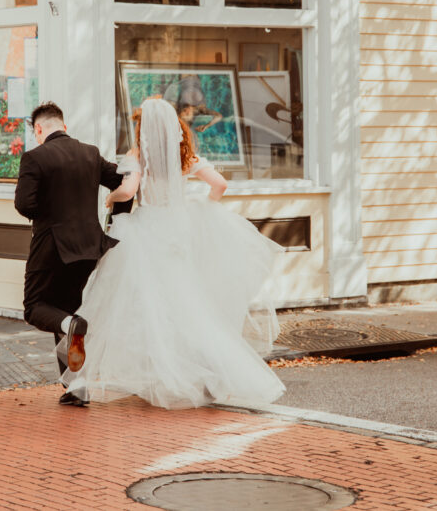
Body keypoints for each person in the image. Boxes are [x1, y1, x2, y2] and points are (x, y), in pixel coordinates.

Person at [60, 98, 285, 409]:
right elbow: (220, 185)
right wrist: (202, 207)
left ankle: (160, 375)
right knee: (188, 303)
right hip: (180, 231)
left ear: (144, 128)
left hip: (148, 232)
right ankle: (211, 374)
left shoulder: (137, 155)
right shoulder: (186, 156)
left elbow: (128, 191)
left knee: (149, 307)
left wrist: (110, 199)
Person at [14, 102, 125, 407]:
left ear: (38, 129)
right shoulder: (90, 153)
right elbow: (121, 181)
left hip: (51, 246)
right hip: (89, 247)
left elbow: (24, 204)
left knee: (36, 307)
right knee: (63, 312)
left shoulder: (35, 157)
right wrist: (118, 218)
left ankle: (71, 332)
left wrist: (51, 214)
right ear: (63, 125)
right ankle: (77, 387)